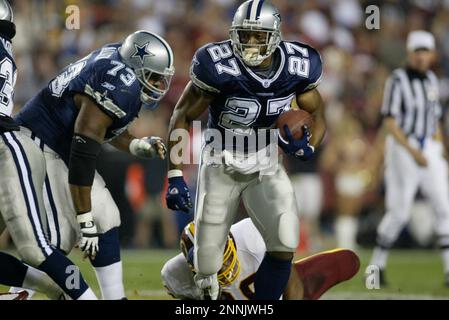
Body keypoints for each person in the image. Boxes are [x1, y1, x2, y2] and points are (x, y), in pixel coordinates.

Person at [165, 0, 326, 300]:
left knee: (286, 238)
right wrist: (174, 174)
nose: (250, 43)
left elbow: (317, 113)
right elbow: (182, 115)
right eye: (245, 34)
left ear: (275, 36)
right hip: (220, 160)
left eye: (258, 36)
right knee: (208, 263)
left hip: (265, 159)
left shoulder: (297, 65)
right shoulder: (216, 64)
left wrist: (309, 145)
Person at [13, 30, 174, 299]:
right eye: (154, 76)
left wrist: (134, 144)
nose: (159, 84)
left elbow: (101, 124)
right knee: (59, 236)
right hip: (38, 142)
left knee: (107, 217)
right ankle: (23, 293)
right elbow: (83, 150)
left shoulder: (117, 62)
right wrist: (84, 218)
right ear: (136, 68)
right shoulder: (119, 81)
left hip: (60, 144)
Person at [0, 0, 96, 300]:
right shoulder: (6, 50)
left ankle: (84, 297)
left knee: (34, 245)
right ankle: (43, 290)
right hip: (11, 144)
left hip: (5, 148)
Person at [369, 30, 449, 286]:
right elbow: (390, 121)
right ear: (410, 53)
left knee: (444, 208)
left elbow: (435, 120)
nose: (422, 56)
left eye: (426, 51)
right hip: (404, 146)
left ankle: (448, 271)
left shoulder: (433, 81)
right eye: (418, 51)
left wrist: (441, 149)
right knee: (400, 212)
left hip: (429, 147)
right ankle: (376, 267)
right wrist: (413, 151)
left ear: (433, 54)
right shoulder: (398, 79)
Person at [161, 218, 360, 300]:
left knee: (349, 262)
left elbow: (283, 268)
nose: (218, 266)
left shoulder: (252, 235)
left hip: (271, 290)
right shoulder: (174, 275)